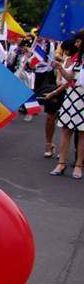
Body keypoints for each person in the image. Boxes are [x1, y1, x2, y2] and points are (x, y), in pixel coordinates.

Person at [49, 32, 84, 179]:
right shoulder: (77, 59)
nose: (76, 44)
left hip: (83, 97)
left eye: (78, 41)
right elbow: (70, 79)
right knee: (66, 130)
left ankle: (78, 165)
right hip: (72, 96)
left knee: (82, 133)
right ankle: (61, 163)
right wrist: (60, 68)